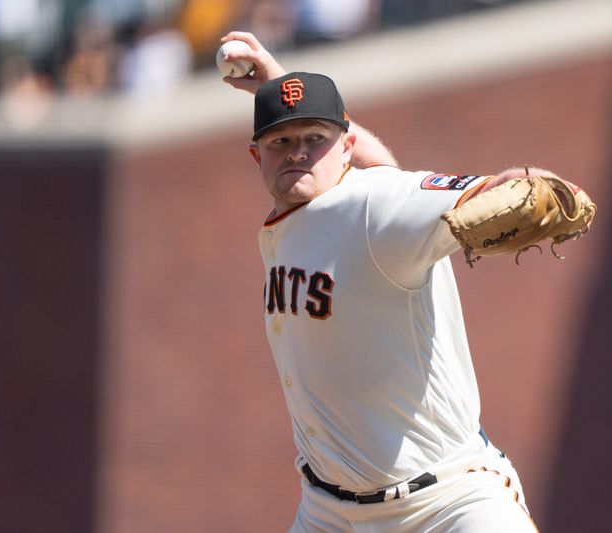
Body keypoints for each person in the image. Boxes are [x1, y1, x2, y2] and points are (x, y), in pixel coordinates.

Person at [220, 30, 591, 532]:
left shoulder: (377, 204)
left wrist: (538, 187)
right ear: (256, 155)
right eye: (281, 141)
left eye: (315, 139)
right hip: (327, 511)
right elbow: (380, 165)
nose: (298, 153)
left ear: (345, 145)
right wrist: (279, 82)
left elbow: (495, 187)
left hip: (446, 504)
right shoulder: (306, 210)